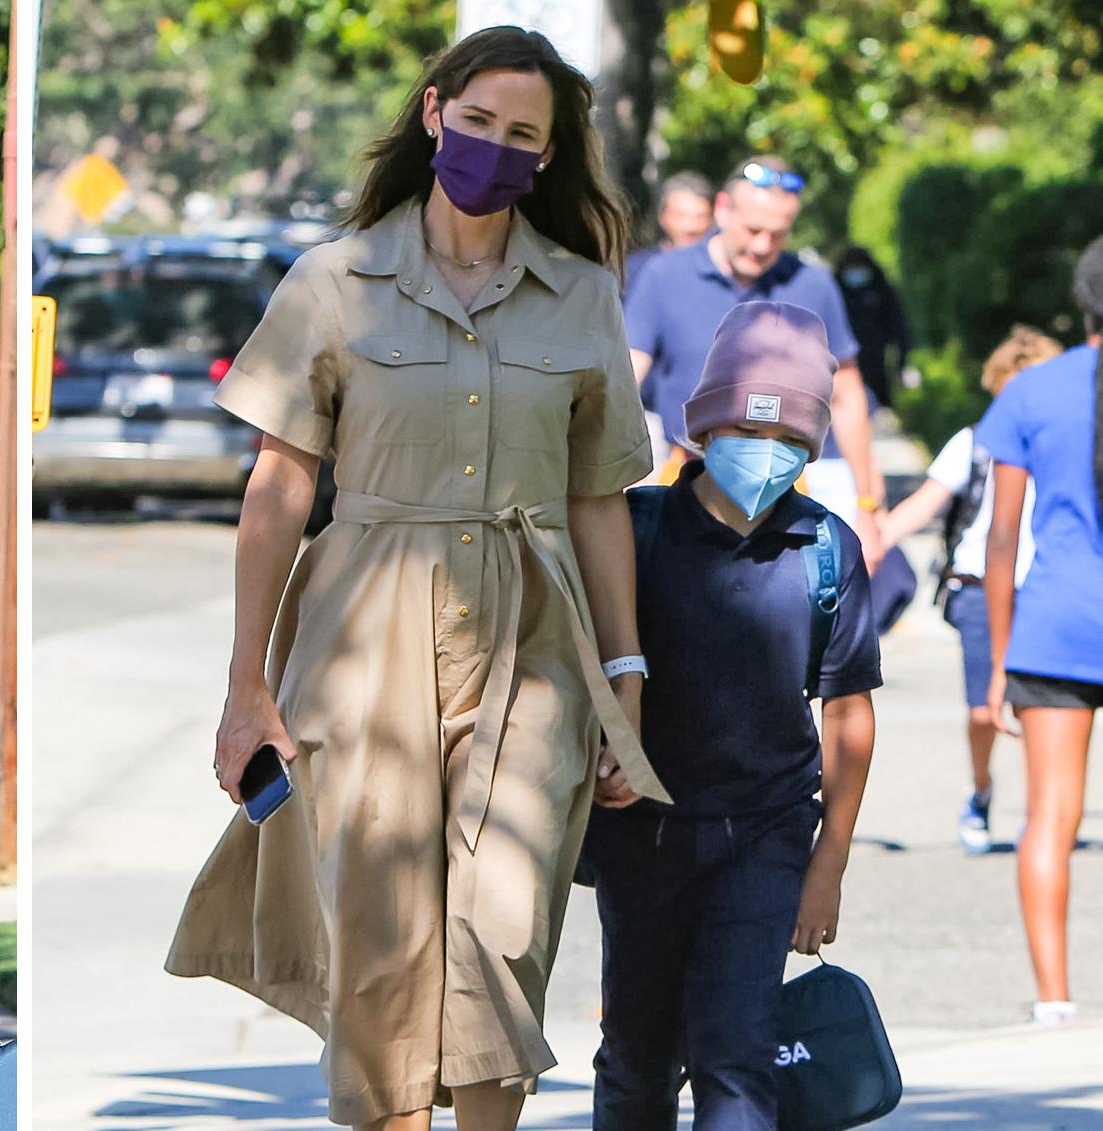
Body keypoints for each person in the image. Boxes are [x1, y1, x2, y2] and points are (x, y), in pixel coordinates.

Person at [166, 27, 667, 1130]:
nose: (495, 146)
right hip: (362, 636)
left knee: (505, 930)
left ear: (546, 157)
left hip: (535, 641)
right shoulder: (334, 282)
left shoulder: (582, 294)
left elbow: (598, 500)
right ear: (435, 114)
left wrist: (624, 677)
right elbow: (278, 492)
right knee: (385, 943)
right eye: (479, 120)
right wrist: (247, 688)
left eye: (522, 135)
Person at [583, 302, 880, 1131]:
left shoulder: (826, 548)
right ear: (701, 432)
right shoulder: (633, 533)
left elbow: (849, 713)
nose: (766, 453)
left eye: (790, 439)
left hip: (766, 836)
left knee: (737, 1056)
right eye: (750, 432)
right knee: (637, 1059)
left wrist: (830, 862)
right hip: (641, 836)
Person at [625, 156, 886, 566]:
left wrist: (867, 506)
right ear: (723, 208)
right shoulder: (664, 275)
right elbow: (624, 379)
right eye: (753, 230)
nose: (763, 246)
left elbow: (848, 398)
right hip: (684, 487)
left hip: (786, 493)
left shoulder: (812, 283)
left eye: (778, 235)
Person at [975, 237, 1103, 1025]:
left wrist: (997, 659)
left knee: (1051, 814)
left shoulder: (1032, 391)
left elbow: (1000, 539)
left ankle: (1054, 998)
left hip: (1056, 624)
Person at [872, 326, 1056, 854]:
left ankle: (1043, 808)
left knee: (1039, 710)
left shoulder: (1066, 446)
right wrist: (871, 538)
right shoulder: (974, 444)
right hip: (979, 589)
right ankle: (982, 791)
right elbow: (924, 504)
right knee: (984, 711)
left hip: (1045, 590)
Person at [835, 246, 913, 411]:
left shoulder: (881, 288)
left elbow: (897, 324)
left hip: (877, 358)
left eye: (859, 266)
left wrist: (902, 359)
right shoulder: (835, 291)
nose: (856, 271)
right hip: (843, 361)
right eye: (852, 267)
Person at [622, 171, 714, 292]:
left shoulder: (722, 271)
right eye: (681, 216)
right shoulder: (636, 269)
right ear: (663, 217)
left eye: (700, 216)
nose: (691, 227)